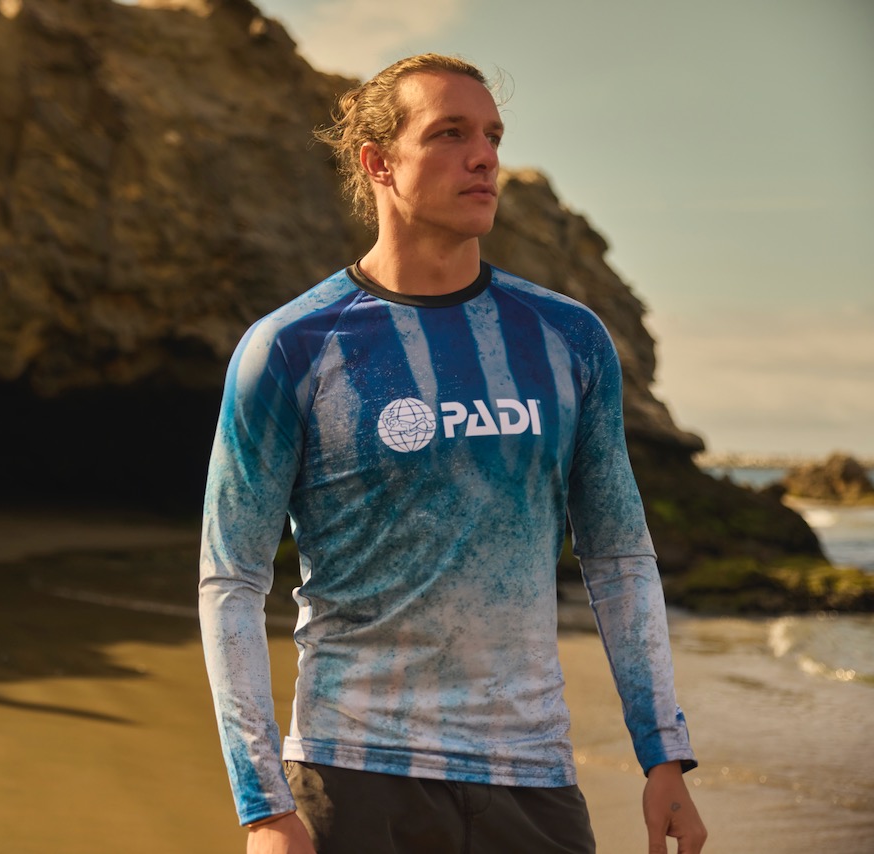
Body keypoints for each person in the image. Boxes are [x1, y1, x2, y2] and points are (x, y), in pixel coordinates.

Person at [198, 53, 707, 854]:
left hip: (532, 777)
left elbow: (617, 555)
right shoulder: (293, 348)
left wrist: (663, 754)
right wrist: (262, 804)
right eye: (450, 133)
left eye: (493, 135)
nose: (485, 156)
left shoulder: (568, 340)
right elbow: (232, 580)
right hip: (355, 772)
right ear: (378, 163)